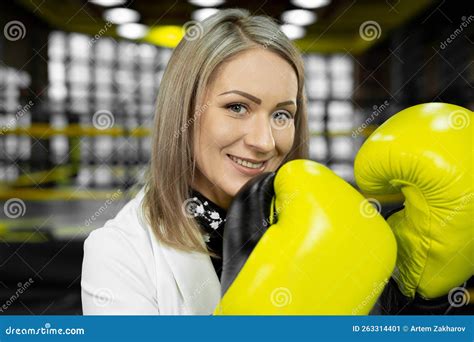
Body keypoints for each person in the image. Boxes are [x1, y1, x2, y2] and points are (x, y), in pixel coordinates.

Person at [81, 8, 309, 315]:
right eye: (237, 107)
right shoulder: (119, 253)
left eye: (281, 114)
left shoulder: (309, 230)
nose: (264, 141)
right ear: (184, 112)